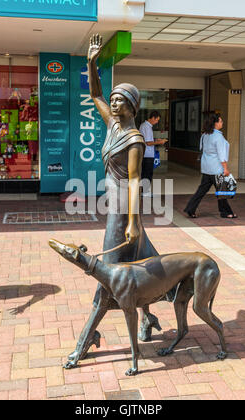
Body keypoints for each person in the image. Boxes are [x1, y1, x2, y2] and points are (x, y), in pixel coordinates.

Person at [68, 34, 177, 362]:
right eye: (113, 101)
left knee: (110, 271)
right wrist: (91, 60)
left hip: (123, 211)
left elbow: (133, 182)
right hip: (113, 205)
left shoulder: (133, 139)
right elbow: (95, 92)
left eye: (120, 101)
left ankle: (87, 337)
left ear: (132, 106)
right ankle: (149, 317)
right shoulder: (113, 125)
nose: (113, 105)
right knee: (136, 267)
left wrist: (132, 223)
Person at [184, 112, 237, 219]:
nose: (222, 123)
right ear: (216, 123)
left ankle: (190, 209)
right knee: (221, 191)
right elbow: (222, 154)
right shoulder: (218, 137)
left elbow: (201, 149)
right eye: (221, 121)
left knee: (202, 191)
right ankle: (226, 212)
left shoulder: (204, 135)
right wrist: (225, 168)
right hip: (217, 168)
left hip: (206, 167)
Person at [139, 111, 167, 196]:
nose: (157, 122)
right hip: (147, 154)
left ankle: (144, 191)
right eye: (157, 120)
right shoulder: (147, 127)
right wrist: (160, 142)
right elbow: (148, 143)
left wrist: (156, 140)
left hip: (146, 153)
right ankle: (145, 192)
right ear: (153, 118)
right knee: (147, 173)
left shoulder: (145, 126)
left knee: (145, 173)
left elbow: (148, 140)